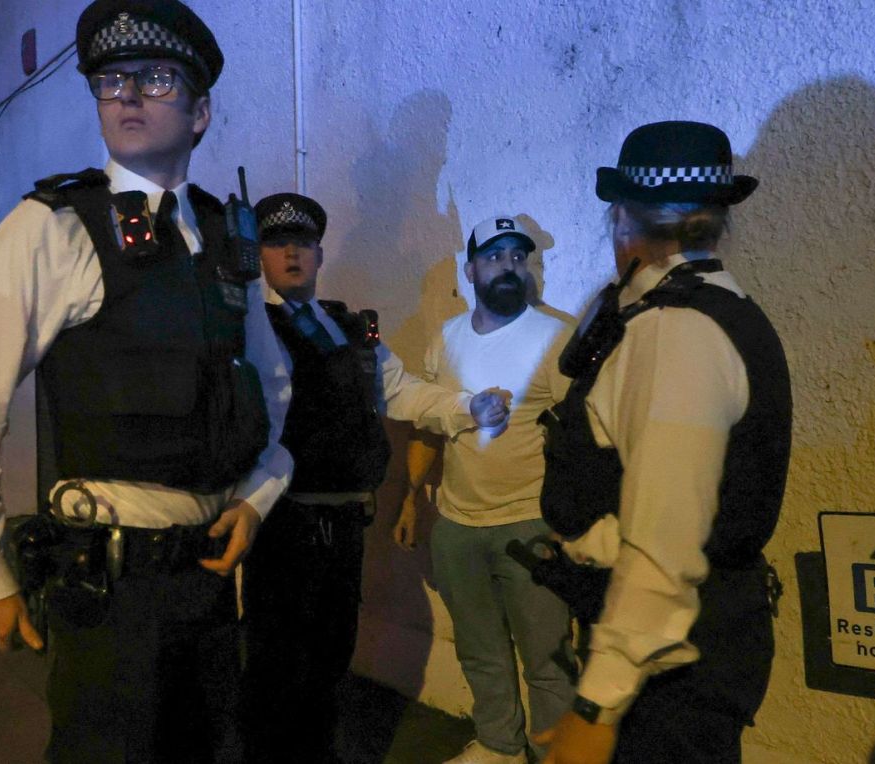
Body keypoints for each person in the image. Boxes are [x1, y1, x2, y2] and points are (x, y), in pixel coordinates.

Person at [0, 1, 293, 760]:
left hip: (213, 580)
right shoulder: (53, 226)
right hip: (113, 592)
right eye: (112, 79)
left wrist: (258, 496)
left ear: (200, 111)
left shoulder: (228, 236)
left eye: (155, 78)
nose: (126, 94)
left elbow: (270, 382)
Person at [534, 121, 792, 763]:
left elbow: (664, 544)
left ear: (622, 220)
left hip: (669, 670)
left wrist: (598, 703)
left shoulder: (675, 331)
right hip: (681, 651)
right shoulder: (709, 311)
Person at [240, 192, 512, 763]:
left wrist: (467, 406)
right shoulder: (247, 327)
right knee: (276, 664)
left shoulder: (344, 327)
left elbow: (401, 390)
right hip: (281, 522)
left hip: (341, 522)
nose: (291, 254)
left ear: (319, 253)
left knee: (330, 657)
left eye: (304, 243)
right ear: (259, 254)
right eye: (276, 243)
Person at [393, 215, 577, 764]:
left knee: (548, 658)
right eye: (495, 257)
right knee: (480, 651)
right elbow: (427, 424)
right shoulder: (445, 339)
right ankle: (500, 746)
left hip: (531, 523)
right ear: (470, 269)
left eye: (519, 257)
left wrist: (577, 522)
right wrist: (410, 498)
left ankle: (555, 754)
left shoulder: (558, 335)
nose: (509, 267)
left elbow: (587, 435)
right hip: (456, 523)